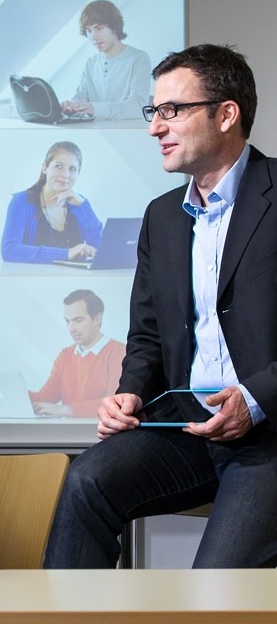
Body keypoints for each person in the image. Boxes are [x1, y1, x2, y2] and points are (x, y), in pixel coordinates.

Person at [45, 44, 277, 568]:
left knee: (212, 586)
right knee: (86, 481)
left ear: (226, 114)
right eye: (154, 112)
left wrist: (256, 397)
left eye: (172, 111)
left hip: (269, 433)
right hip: (185, 426)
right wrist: (128, 393)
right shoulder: (163, 216)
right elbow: (148, 335)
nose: (155, 127)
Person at [0, 141, 102, 263]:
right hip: (35, 280)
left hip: (75, 281)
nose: (65, 174)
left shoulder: (79, 203)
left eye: (73, 169)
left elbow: (103, 250)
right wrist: (66, 254)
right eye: (59, 166)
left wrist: (83, 206)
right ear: (45, 168)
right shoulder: (22, 201)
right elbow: (9, 250)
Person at [30, 290, 126, 418]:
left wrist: (66, 410)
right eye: (68, 321)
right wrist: (19, 395)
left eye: (78, 320)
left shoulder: (119, 352)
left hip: (102, 432)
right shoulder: (65, 355)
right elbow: (47, 397)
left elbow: (114, 404)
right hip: (69, 432)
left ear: (97, 318)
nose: (71, 328)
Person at [61, 0, 152, 121]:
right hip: (96, 133)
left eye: (99, 28)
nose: (93, 36)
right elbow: (81, 96)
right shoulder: (90, 63)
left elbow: (138, 106)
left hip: (127, 134)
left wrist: (95, 109)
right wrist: (72, 106)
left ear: (114, 28)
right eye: (89, 31)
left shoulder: (139, 58)